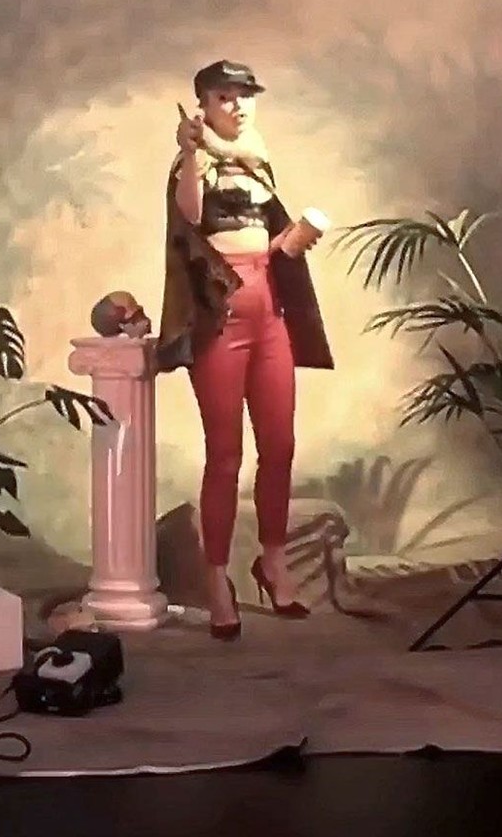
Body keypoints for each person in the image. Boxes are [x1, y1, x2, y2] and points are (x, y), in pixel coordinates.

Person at [157, 60, 334, 641]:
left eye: (245, 95)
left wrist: (296, 238)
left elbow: (269, 240)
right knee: (225, 455)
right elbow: (189, 218)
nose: (238, 105)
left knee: (279, 446)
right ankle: (215, 578)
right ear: (204, 106)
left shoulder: (259, 162)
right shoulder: (193, 161)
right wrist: (189, 153)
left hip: (270, 314)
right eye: (224, 96)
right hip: (221, 318)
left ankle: (273, 561)